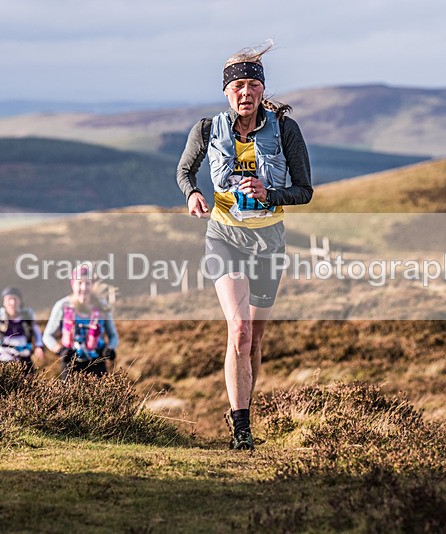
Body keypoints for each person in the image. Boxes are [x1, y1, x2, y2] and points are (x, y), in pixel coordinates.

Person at [176, 41, 313, 450]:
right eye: (238, 86)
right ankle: (241, 431)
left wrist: (270, 193)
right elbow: (186, 170)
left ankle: (243, 412)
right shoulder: (206, 129)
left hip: (269, 242)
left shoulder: (285, 130)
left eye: (253, 85)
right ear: (226, 92)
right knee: (238, 330)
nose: (246, 93)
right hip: (224, 237)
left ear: (262, 90)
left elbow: (304, 190)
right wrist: (191, 194)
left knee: (255, 338)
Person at [43, 263, 119, 380]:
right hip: (71, 365)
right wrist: (60, 350)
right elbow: (47, 336)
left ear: (92, 285)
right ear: (72, 284)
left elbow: (113, 335)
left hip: (97, 365)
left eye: (87, 283)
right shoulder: (62, 306)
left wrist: (109, 349)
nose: (83, 288)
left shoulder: (102, 306)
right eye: (79, 283)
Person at [0, 286, 45, 372]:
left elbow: (36, 331)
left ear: (20, 301)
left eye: (15, 299)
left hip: (25, 360)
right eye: (9, 299)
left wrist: (39, 346)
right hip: (4, 361)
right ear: (4, 302)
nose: (12, 302)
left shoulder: (27, 315)